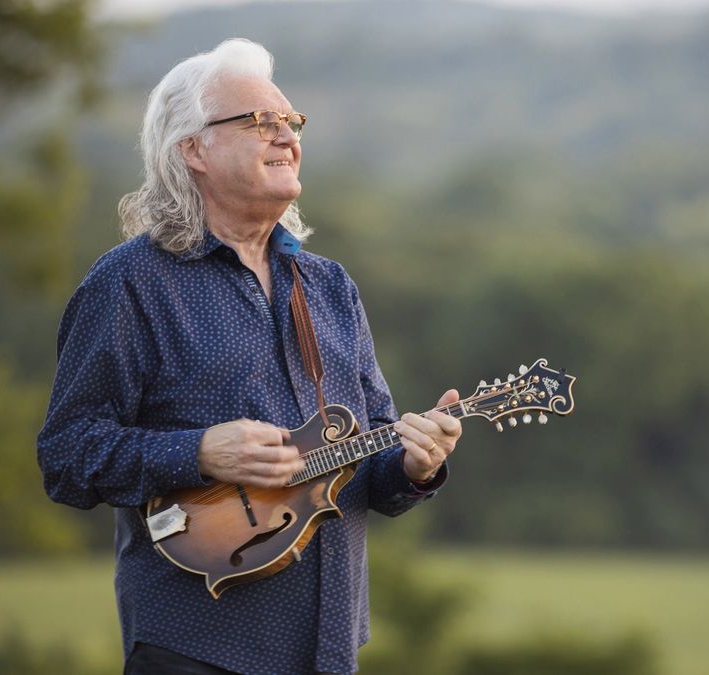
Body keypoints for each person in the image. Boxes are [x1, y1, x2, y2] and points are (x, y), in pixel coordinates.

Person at [37, 38, 462, 674]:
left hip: (329, 646)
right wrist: (197, 452)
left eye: (292, 122)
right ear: (193, 149)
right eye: (260, 121)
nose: (287, 136)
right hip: (195, 646)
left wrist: (415, 465)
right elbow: (66, 457)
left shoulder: (329, 287)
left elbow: (368, 467)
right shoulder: (129, 284)